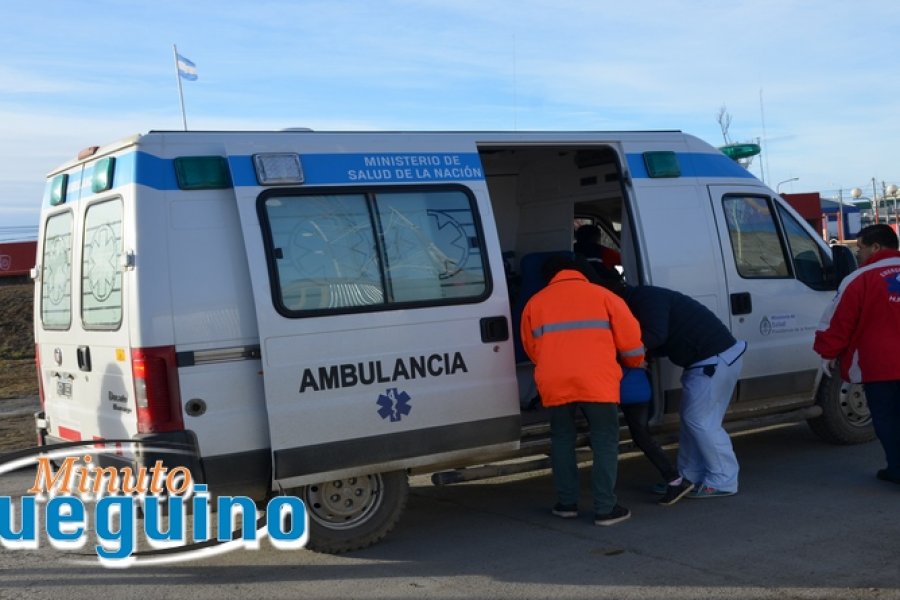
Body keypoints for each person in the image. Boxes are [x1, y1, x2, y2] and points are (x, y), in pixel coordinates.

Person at [520, 256, 644, 525]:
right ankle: (605, 508)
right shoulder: (605, 296)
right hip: (597, 380)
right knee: (604, 439)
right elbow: (632, 342)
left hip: (554, 380)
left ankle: (566, 504)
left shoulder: (535, 302)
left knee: (562, 439)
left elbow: (531, 348)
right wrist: (635, 363)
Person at [600, 277, 746, 499]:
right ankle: (688, 477)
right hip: (709, 359)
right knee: (692, 422)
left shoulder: (646, 299)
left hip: (712, 360)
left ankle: (724, 479)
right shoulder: (645, 298)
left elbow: (656, 335)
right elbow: (661, 337)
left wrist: (624, 353)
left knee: (700, 422)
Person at [814, 224, 900, 485]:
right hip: (882, 364)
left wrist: (827, 352)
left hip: (880, 366)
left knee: (887, 420)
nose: (858, 254)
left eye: (860, 248)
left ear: (876, 247)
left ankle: (897, 469)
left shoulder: (860, 279)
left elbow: (838, 321)